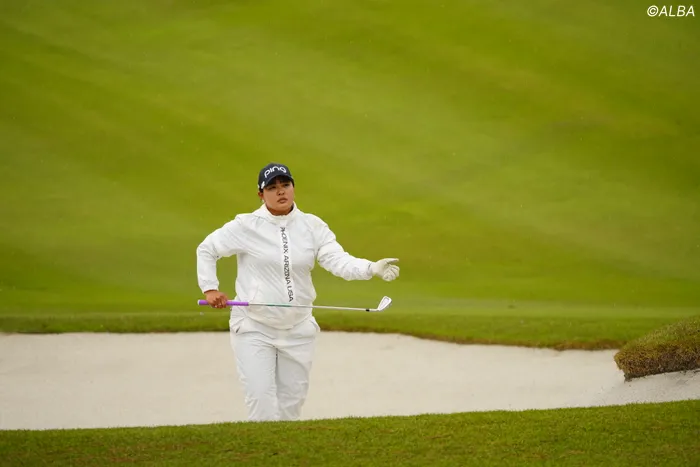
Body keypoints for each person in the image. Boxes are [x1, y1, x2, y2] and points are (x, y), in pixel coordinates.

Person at [196, 162, 400, 422]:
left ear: (293, 187)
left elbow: (337, 260)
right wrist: (210, 288)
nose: (280, 191)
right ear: (261, 194)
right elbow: (207, 249)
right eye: (272, 188)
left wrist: (370, 268)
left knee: (291, 408)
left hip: (299, 329)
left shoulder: (312, 226)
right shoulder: (246, 226)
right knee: (261, 404)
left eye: (285, 185)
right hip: (254, 328)